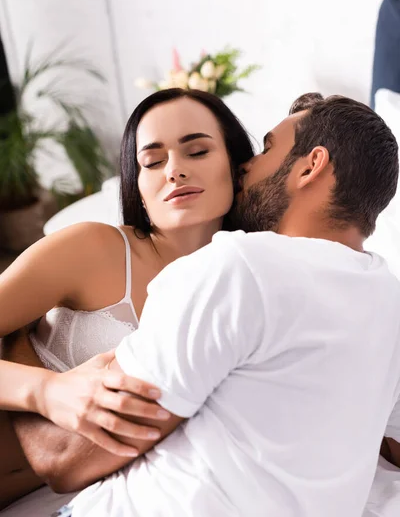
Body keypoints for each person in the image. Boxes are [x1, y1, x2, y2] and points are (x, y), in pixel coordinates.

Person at [51, 93, 400, 517]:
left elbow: (65, 460)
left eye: (269, 148)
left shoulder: (240, 265)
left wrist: (34, 373)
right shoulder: (388, 298)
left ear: (311, 166)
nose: (247, 165)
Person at [0, 88, 254, 508]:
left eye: (196, 151)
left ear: (237, 165)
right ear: (136, 184)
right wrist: (44, 391)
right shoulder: (94, 249)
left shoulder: (247, 283)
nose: (174, 170)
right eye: (152, 161)